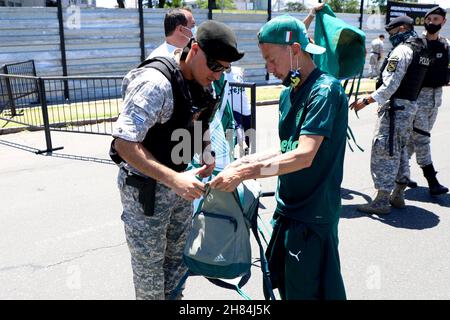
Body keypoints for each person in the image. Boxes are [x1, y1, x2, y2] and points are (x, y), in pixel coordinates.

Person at [210, 15, 348, 300]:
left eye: (272, 59)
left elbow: (304, 155)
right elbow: (288, 149)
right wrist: (242, 163)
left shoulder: (325, 91)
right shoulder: (289, 93)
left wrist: (246, 173)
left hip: (312, 216)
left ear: (295, 50)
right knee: (286, 288)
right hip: (287, 211)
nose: (268, 68)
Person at [111, 20, 244, 300]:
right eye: (215, 66)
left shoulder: (201, 82)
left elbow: (199, 120)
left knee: (176, 268)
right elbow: (124, 143)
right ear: (194, 49)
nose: (218, 75)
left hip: (180, 187)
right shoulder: (155, 84)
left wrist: (205, 150)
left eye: (224, 69)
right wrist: (173, 179)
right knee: (150, 278)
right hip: (146, 193)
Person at [350, 16, 431, 214]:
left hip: (395, 109)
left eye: (392, 32)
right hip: (409, 107)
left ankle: (381, 201)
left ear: (402, 28)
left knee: (384, 150)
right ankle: (398, 194)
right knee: (400, 149)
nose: (390, 37)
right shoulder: (422, 49)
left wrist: (367, 100)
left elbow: (391, 85)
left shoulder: (402, 50)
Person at [402, 6, 449, 196]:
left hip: (436, 97)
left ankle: (400, 174)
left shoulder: (446, 45)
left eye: (436, 20)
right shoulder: (415, 43)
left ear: (443, 22)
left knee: (415, 140)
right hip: (418, 97)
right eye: (429, 19)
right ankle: (432, 180)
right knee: (422, 139)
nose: (431, 23)